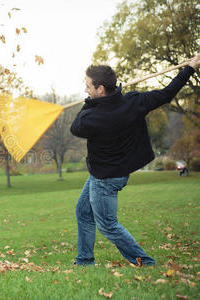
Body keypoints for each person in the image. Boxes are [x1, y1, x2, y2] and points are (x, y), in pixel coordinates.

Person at [70, 54, 200, 266]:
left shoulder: (92, 117)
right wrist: (189, 68)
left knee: (108, 225)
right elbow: (167, 93)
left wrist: (88, 103)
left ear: (100, 89)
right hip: (110, 172)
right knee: (83, 211)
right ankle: (84, 260)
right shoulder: (134, 102)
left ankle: (145, 262)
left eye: (88, 87)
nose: (86, 90)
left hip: (105, 178)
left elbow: (75, 126)